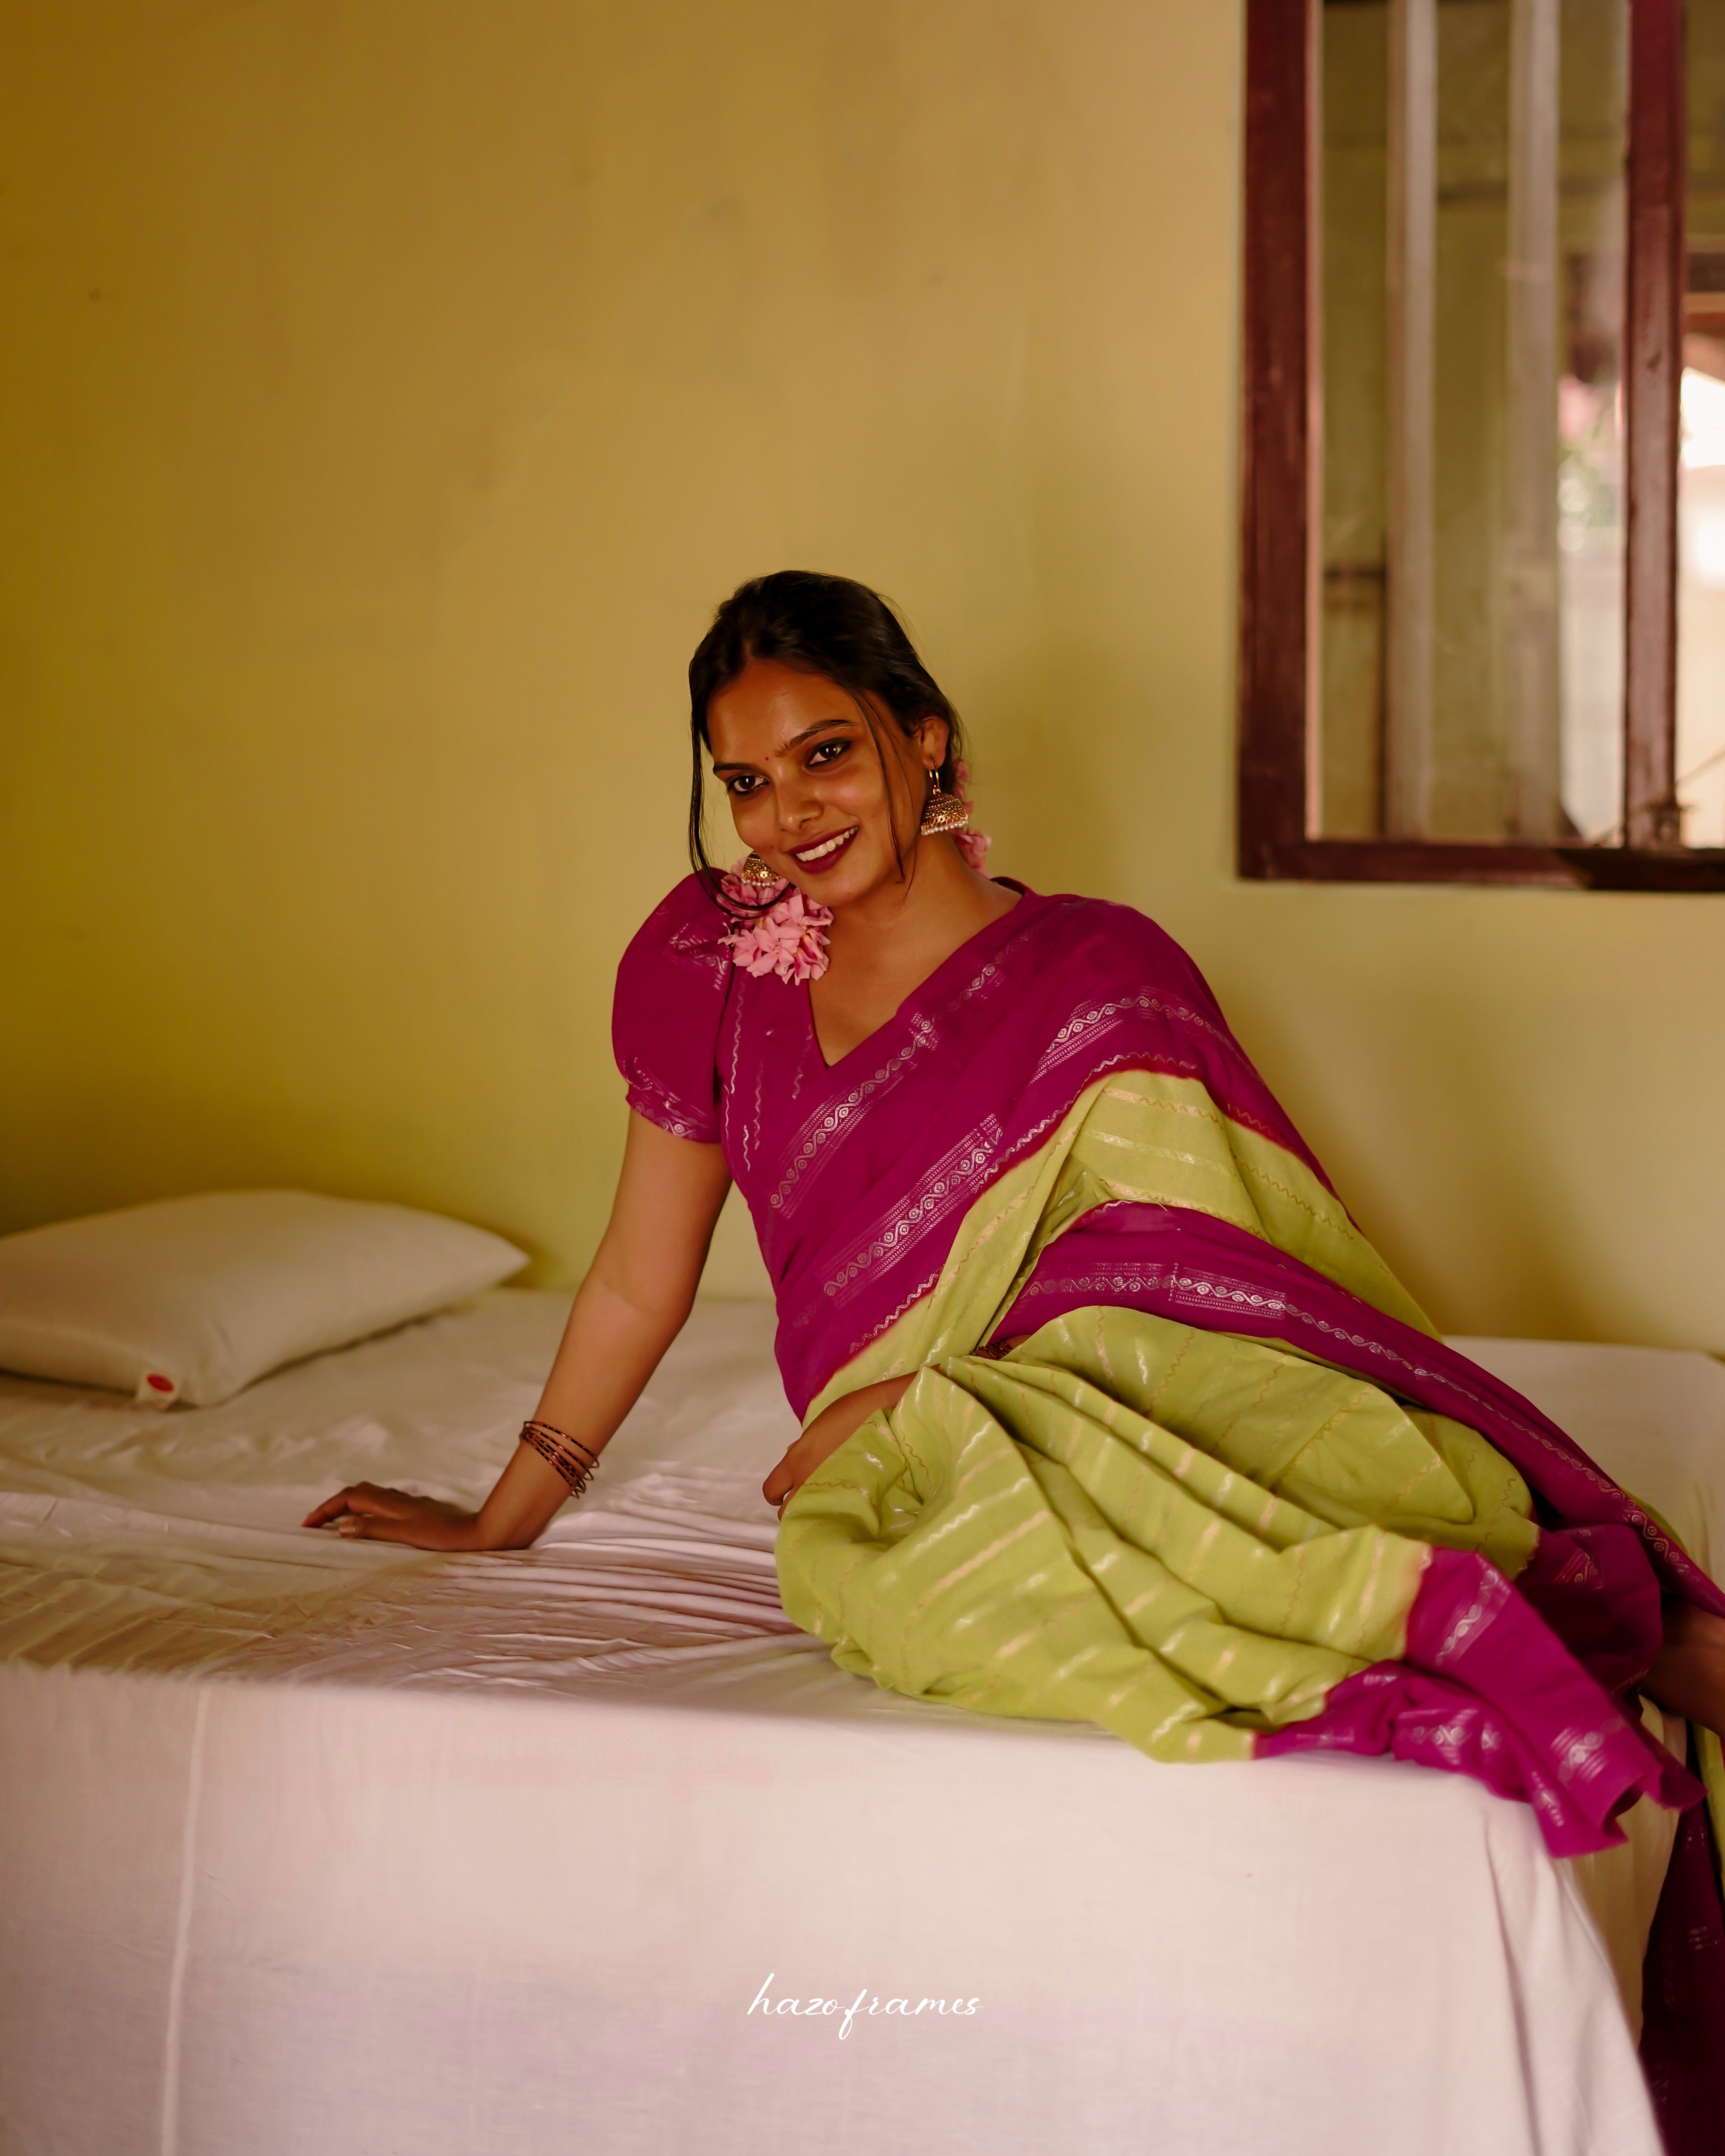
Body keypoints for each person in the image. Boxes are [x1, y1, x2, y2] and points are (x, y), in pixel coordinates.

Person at [306, 569, 1725, 1860]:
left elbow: (1215, 1264)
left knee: (1224, 1416)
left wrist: (932, 1388)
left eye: (827, 756)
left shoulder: (1097, 966)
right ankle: (1502, 1637)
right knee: (900, 1584)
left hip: (1072, 1377)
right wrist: (508, 1519)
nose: (788, 815)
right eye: (745, 780)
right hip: (906, 1451)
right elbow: (636, 1275)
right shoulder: (707, 959)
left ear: (925, 739)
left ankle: (1566, 1620)